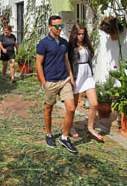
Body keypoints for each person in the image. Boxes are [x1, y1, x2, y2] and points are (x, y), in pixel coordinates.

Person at [36, 15, 78, 153]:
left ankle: (64, 137)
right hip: (51, 81)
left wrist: (71, 77)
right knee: (49, 108)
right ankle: (49, 134)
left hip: (64, 79)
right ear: (50, 27)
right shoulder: (43, 43)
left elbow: (66, 61)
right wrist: (44, 82)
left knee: (71, 108)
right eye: (57, 26)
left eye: (61, 26)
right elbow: (39, 64)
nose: (60, 28)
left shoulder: (64, 43)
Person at [68, 23, 103, 141]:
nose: (81, 36)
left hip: (87, 75)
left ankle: (90, 128)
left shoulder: (86, 45)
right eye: (79, 34)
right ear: (74, 34)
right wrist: (71, 78)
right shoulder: (70, 48)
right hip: (77, 76)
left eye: (83, 34)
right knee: (74, 105)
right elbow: (67, 64)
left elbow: (89, 61)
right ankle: (71, 126)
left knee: (94, 104)